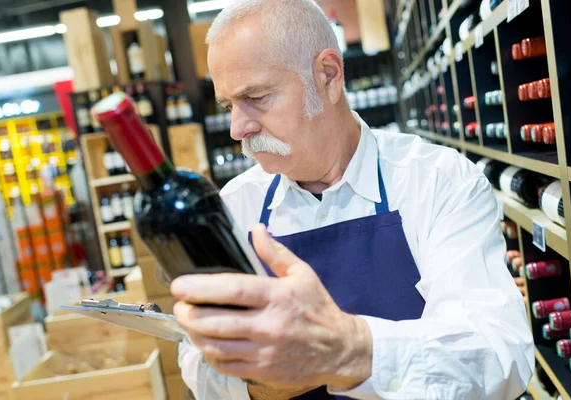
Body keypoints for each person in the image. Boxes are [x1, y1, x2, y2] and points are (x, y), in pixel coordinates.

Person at [172, 0, 534, 398]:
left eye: (256, 97)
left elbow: (499, 356)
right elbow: (195, 359)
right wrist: (256, 382)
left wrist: (347, 351)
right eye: (228, 106)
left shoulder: (435, 180)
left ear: (328, 75)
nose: (237, 128)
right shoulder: (235, 207)